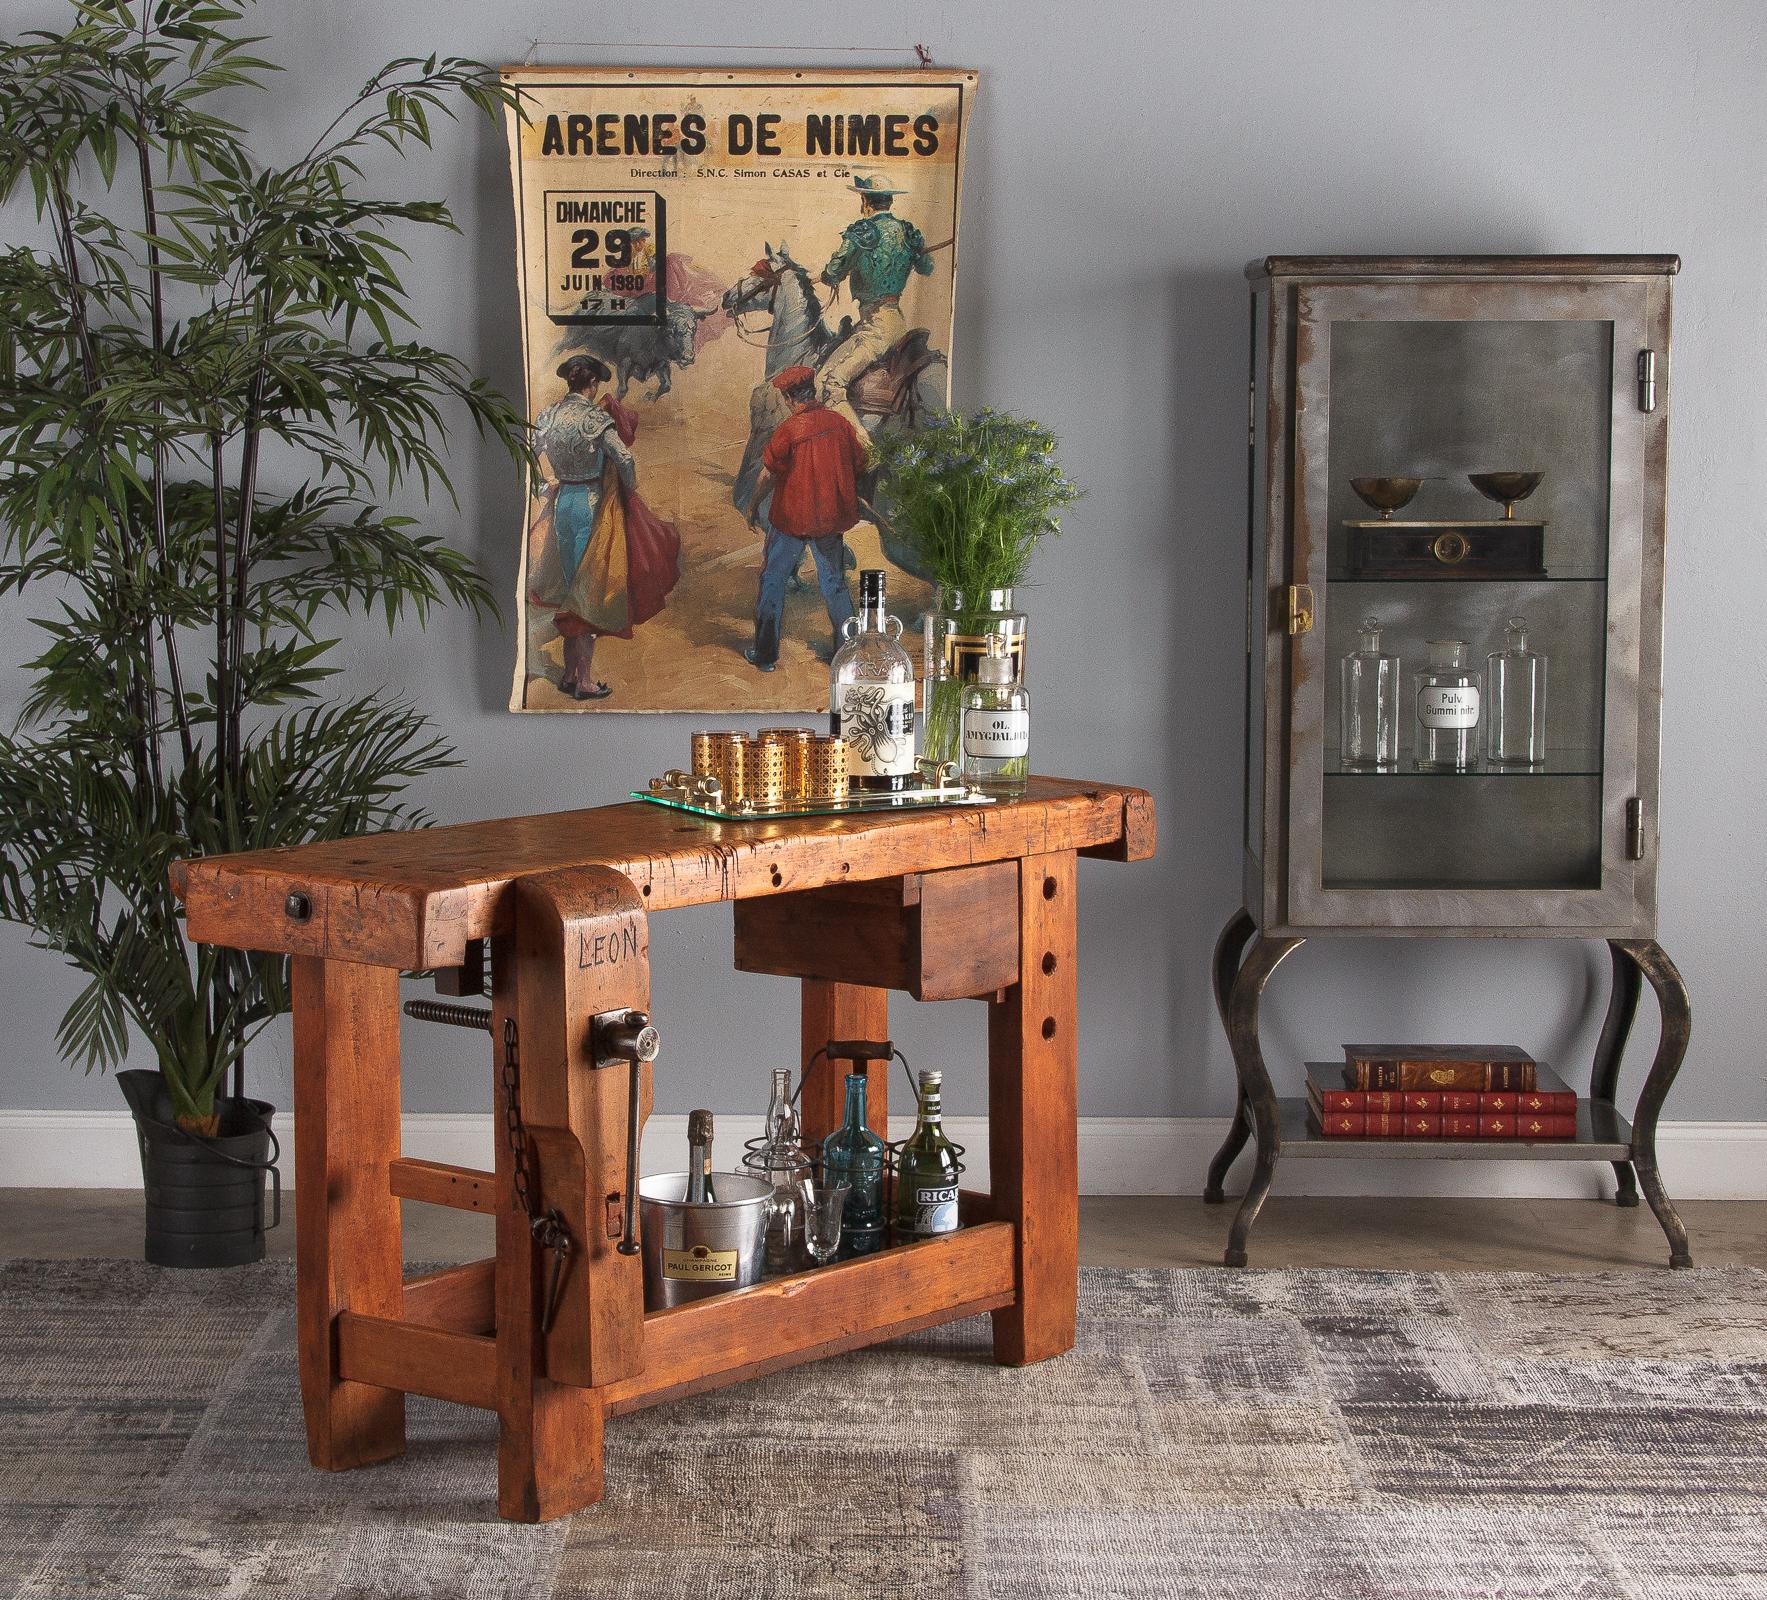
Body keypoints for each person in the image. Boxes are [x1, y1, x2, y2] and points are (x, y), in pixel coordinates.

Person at [530, 354, 681, 700]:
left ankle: (569, 674)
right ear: (593, 384)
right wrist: (628, 490)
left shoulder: (549, 416)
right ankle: (583, 681)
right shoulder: (595, 418)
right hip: (590, 506)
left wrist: (543, 486)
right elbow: (625, 458)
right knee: (589, 593)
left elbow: (525, 450)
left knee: (570, 588)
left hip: (561, 502)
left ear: (569, 382)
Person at [743, 365, 863, 671]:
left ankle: (766, 654)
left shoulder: (789, 430)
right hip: (829, 522)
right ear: (812, 392)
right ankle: (847, 655)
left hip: (791, 521)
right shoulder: (839, 423)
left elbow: (767, 474)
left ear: (788, 397)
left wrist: (752, 505)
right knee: (835, 584)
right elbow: (859, 461)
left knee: (773, 581)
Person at [817, 173, 934, 454]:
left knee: (829, 382)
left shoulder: (862, 232)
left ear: (864, 201)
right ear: (890, 201)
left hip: (875, 326)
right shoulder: (909, 233)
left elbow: (833, 273)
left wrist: (826, 276)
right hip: (898, 321)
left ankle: (867, 451)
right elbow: (927, 268)